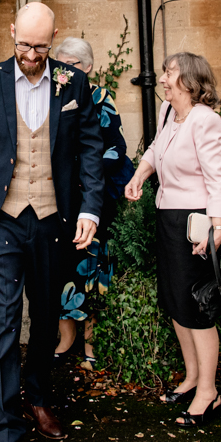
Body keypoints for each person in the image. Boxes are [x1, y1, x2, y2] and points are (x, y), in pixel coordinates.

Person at [0, 3, 105, 442]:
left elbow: (90, 148)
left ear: (53, 38)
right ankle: (8, 423)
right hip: (4, 221)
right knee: (5, 320)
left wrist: (90, 210)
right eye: (24, 44)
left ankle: (38, 397)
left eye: (41, 46)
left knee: (47, 318)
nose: (31, 54)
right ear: (12, 32)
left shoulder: (74, 83)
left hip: (54, 219)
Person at [124, 52, 221, 427]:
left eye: (169, 73)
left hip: (195, 225)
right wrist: (140, 176)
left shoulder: (206, 121)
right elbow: (155, 150)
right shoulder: (171, 114)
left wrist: (217, 230)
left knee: (198, 309)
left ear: (188, 81)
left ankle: (209, 392)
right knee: (175, 301)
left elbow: (219, 179)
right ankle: (191, 378)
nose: (163, 79)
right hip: (167, 217)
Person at [51, 37, 135, 371]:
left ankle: (91, 341)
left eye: (71, 64)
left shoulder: (101, 98)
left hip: (91, 197)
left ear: (88, 68)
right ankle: (66, 337)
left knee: (93, 269)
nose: (64, 70)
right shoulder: (51, 97)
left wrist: (83, 173)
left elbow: (116, 148)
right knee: (62, 268)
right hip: (59, 201)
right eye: (60, 64)